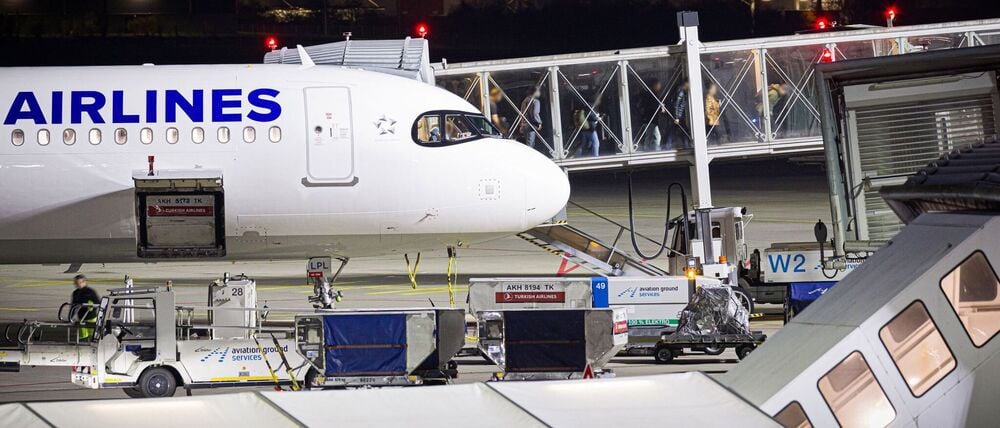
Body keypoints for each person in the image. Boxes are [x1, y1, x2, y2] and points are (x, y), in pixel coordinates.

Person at [70, 274, 100, 340]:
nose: (78, 284)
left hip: (91, 318)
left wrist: (92, 306)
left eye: (80, 283)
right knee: (82, 337)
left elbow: (98, 302)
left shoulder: (90, 292)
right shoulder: (75, 293)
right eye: (76, 283)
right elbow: (73, 306)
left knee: (93, 336)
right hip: (81, 318)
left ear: (84, 282)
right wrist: (70, 317)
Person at [666, 80, 690, 150]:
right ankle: (686, 146)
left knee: (675, 131)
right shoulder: (681, 92)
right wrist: (676, 117)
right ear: (685, 83)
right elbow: (676, 104)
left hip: (679, 116)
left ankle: (685, 145)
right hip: (678, 116)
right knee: (683, 131)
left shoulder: (681, 91)